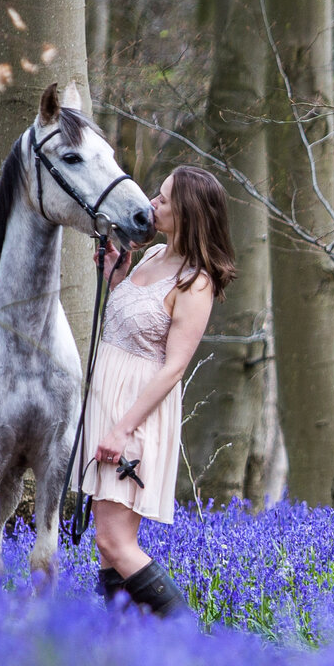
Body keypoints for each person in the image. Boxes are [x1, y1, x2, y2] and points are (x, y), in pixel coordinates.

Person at [78, 165, 234, 616]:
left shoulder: (195, 281)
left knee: (114, 540)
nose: (152, 203)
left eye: (164, 200)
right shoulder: (152, 257)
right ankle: (124, 650)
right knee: (107, 548)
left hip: (136, 417)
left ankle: (188, 638)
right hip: (107, 406)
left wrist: (123, 430)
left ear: (187, 213)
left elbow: (173, 369)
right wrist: (113, 276)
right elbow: (128, 326)